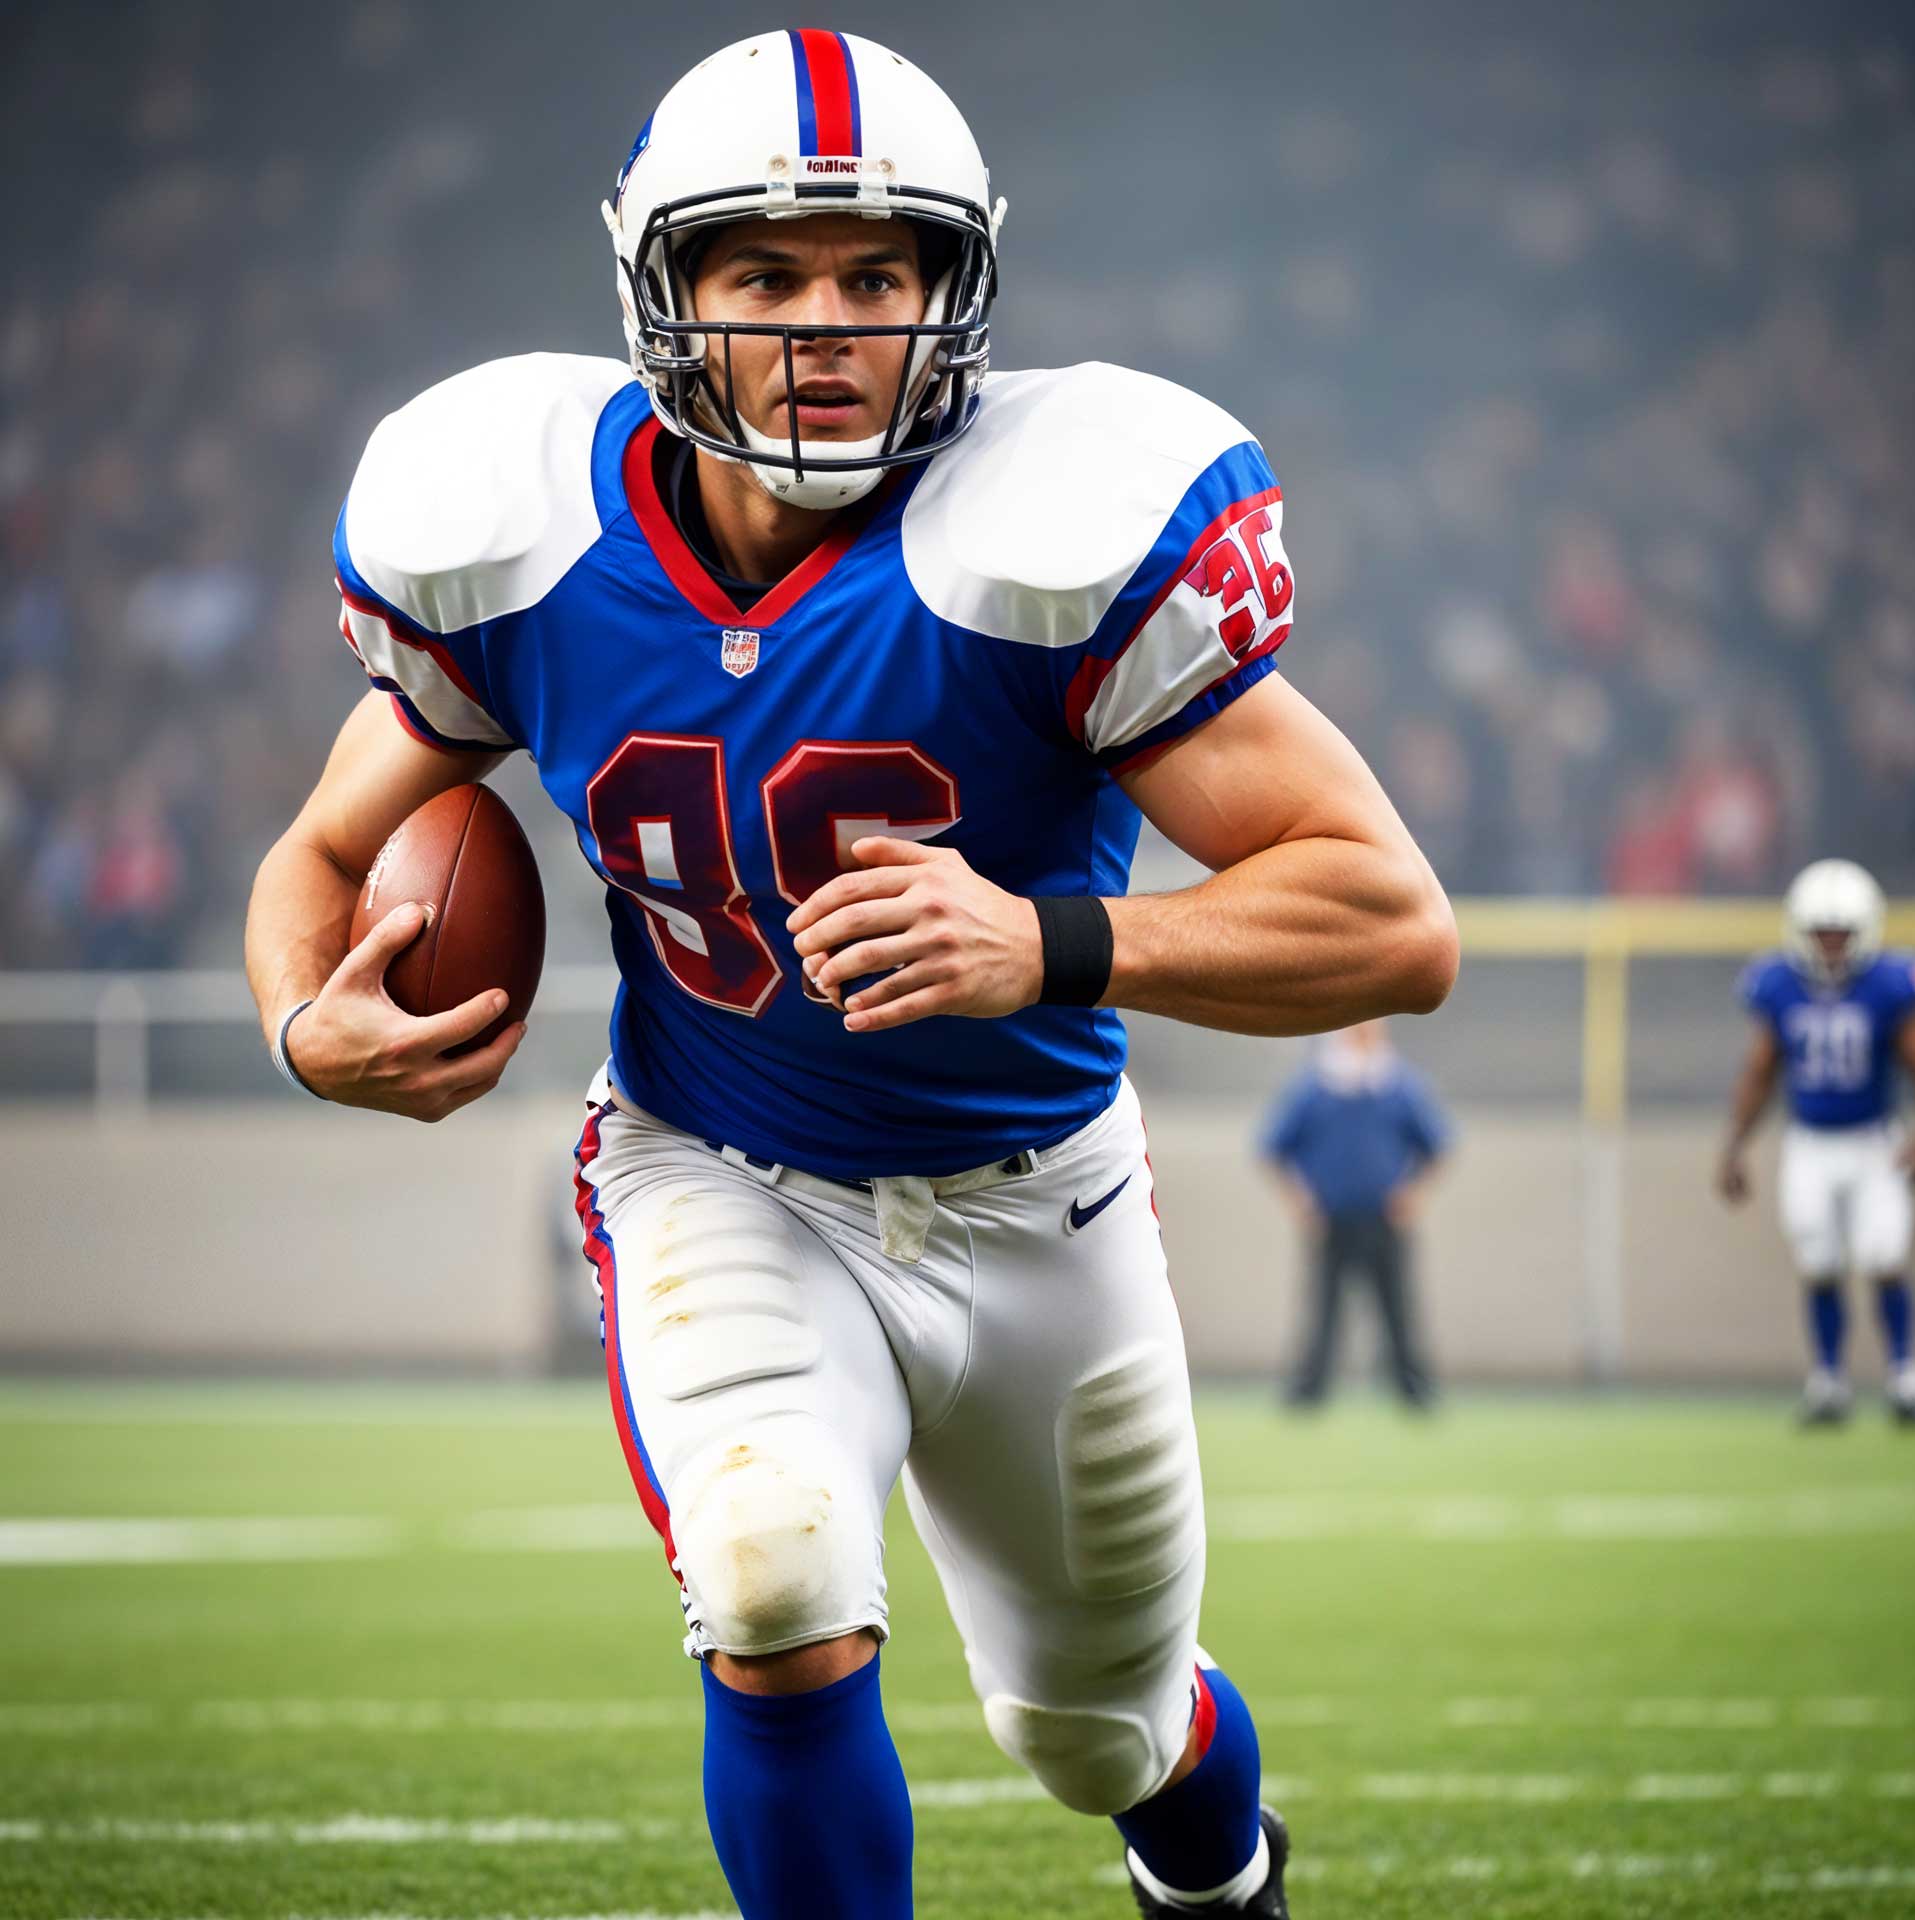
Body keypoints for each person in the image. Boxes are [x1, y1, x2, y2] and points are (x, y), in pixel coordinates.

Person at [242, 31, 1458, 1919]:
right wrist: (302, 1020)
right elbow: (320, 858)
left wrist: (1047, 939)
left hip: (1036, 1203)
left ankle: (1215, 1874)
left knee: (1102, 1730)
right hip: (720, 1168)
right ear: (667, 297)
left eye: (875, 276)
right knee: (772, 1573)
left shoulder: (1050, 542)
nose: (825, 324)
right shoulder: (526, 536)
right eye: (765, 275)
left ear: (950, 296)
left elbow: (1394, 920)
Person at [1718, 859, 1915, 1426]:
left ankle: (1905, 1377)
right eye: (1820, 934)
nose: (1830, 946)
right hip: (1809, 1142)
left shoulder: (1888, 984)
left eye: (1841, 934)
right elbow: (1760, 1071)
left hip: (1875, 1139)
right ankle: (1829, 1381)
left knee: (1884, 1255)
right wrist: (1734, 1144)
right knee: (1820, 1261)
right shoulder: (1778, 984)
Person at [1259, 1020, 1449, 1407]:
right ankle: (1309, 1390)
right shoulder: (1315, 1087)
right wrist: (1301, 1201)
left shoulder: (1398, 1085)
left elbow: (1436, 1144)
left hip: (1385, 1220)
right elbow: (1274, 1147)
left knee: (1397, 1307)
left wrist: (1412, 1195)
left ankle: (1413, 1388)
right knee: (1323, 1309)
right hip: (1331, 1220)